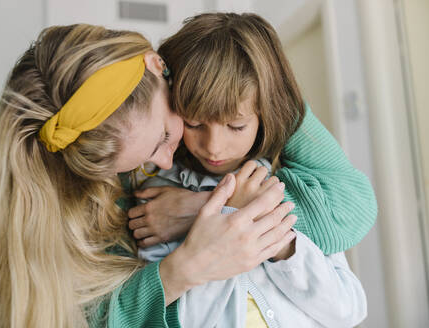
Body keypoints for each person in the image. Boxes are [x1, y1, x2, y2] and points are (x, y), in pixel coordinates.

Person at [0, 24, 299, 328]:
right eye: (135, 162)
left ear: (158, 66)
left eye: (164, 137)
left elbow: (343, 212)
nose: (167, 163)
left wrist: (203, 207)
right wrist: (182, 270)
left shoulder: (221, 109)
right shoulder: (89, 197)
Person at [128, 13, 376, 327]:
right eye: (194, 124)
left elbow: (348, 311)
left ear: (263, 115)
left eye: (236, 125)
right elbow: (178, 318)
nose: (214, 147)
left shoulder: (290, 188)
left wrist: (273, 238)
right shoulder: (159, 200)